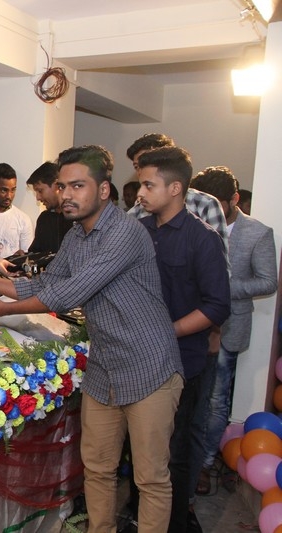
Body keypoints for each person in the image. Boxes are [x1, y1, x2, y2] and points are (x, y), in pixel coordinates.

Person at [0, 145, 184, 533]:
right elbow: (46, 283)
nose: (66, 195)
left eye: (77, 186)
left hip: (149, 367)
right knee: (97, 468)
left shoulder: (125, 233)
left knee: (150, 478)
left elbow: (68, 293)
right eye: (63, 186)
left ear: (103, 189)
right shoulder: (76, 236)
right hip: (104, 368)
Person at [135, 147, 230, 532]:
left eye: (148, 185)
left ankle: (174, 522)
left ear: (175, 188)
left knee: (174, 452)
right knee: (142, 451)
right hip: (138, 359)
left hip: (181, 361)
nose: (140, 193)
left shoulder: (202, 238)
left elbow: (217, 305)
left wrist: (168, 331)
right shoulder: (139, 232)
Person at [188, 168, 276, 497]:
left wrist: (220, 288)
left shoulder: (257, 232)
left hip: (228, 327)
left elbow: (268, 281)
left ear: (235, 200)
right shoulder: (191, 223)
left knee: (215, 400)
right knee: (185, 397)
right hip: (188, 324)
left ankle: (205, 463)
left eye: (217, 204)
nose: (207, 210)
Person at [126, 133, 228, 246]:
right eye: (137, 166)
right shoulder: (135, 214)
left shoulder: (204, 205)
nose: (142, 171)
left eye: (149, 163)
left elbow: (216, 253)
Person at [25, 161, 74, 254]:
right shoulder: (44, 219)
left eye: (40, 191)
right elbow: (36, 253)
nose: (38, 197)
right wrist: (23, 257)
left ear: (56, 186)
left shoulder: (78, 219)